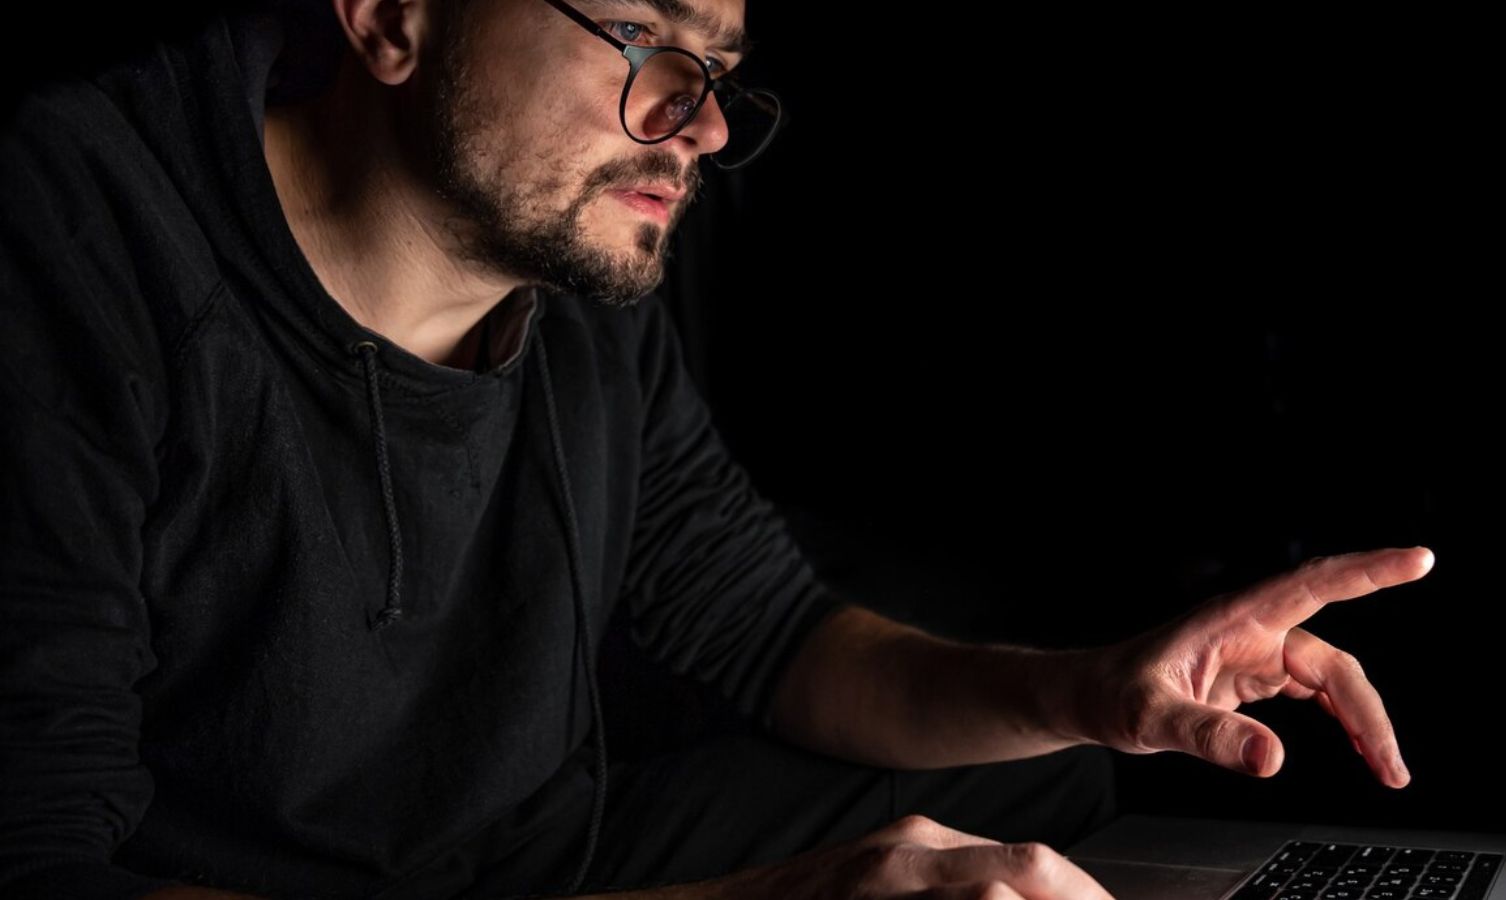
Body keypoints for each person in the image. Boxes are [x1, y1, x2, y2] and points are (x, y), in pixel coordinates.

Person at [0, 1, 1433, 897]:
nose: (698, 121)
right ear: (389, 15)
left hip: (529, 862)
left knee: (1047, 780)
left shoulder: (574, 270)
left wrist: (1101, 686)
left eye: (721, 68)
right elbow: (38, 862)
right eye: (645, 41)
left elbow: (777, 638)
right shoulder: (76, 238)